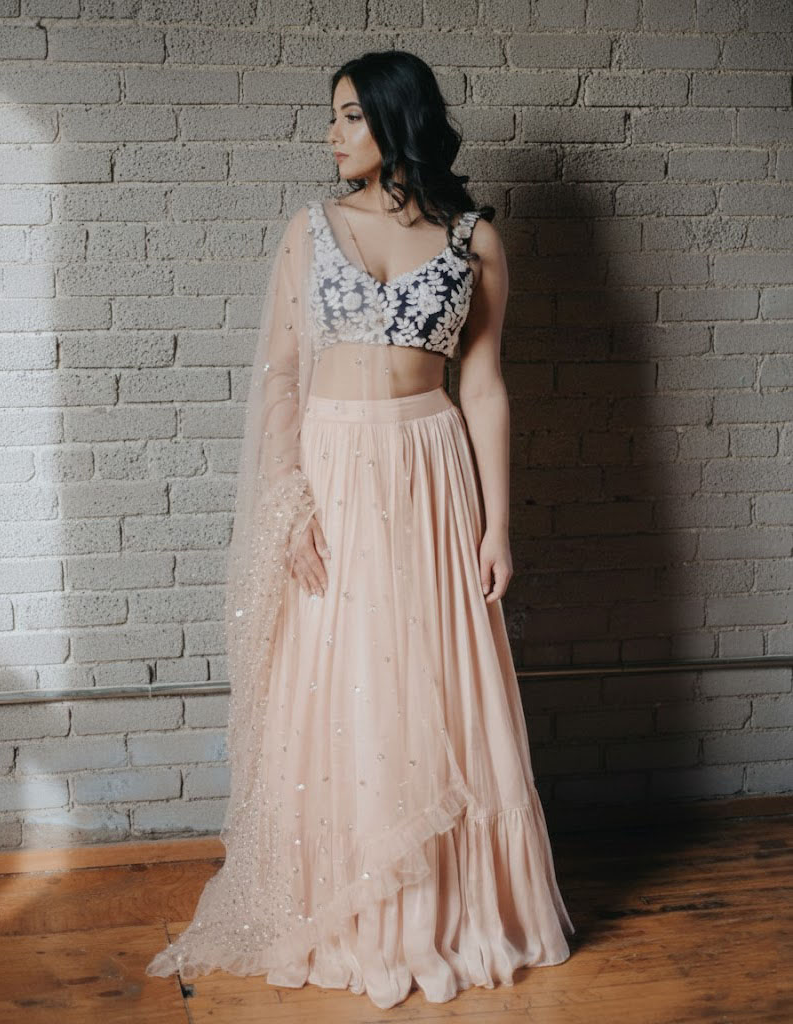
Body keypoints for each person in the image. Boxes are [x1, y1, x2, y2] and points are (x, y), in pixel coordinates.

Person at [146, 49, 575, 1010]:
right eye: (332, 117)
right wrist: (287, 503)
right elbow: (281, 377)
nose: (331, 134)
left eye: (348, 116)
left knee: (437, 679)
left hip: (430, 470)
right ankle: (351, 910)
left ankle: (445, 911)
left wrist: (498, 525)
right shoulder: (310, 229)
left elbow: (485, 387)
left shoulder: (474, 239)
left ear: (394, 119)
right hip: (334, 471)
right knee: (340, 679)